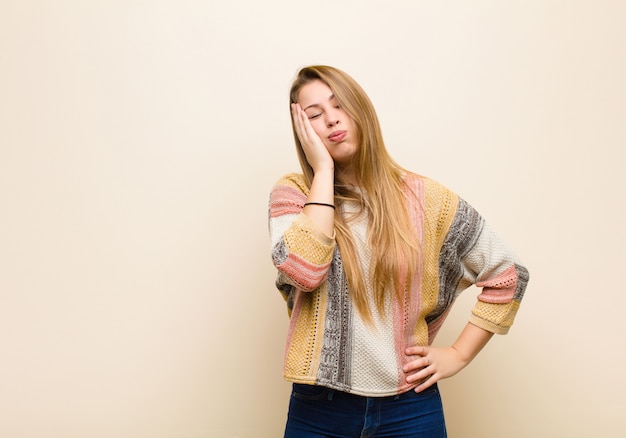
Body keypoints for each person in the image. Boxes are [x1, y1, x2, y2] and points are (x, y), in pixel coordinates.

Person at [267, 65, 529, 438]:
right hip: (318, 410)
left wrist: (458, 354)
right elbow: (305, 272)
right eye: (314, 115)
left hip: (410, 409)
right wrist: (322, 172)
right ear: (303, 132)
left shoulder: (426, 199)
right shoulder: (294, 194)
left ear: (361, 109)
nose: (331, 119)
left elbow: (509, 274)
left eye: (339, 105)